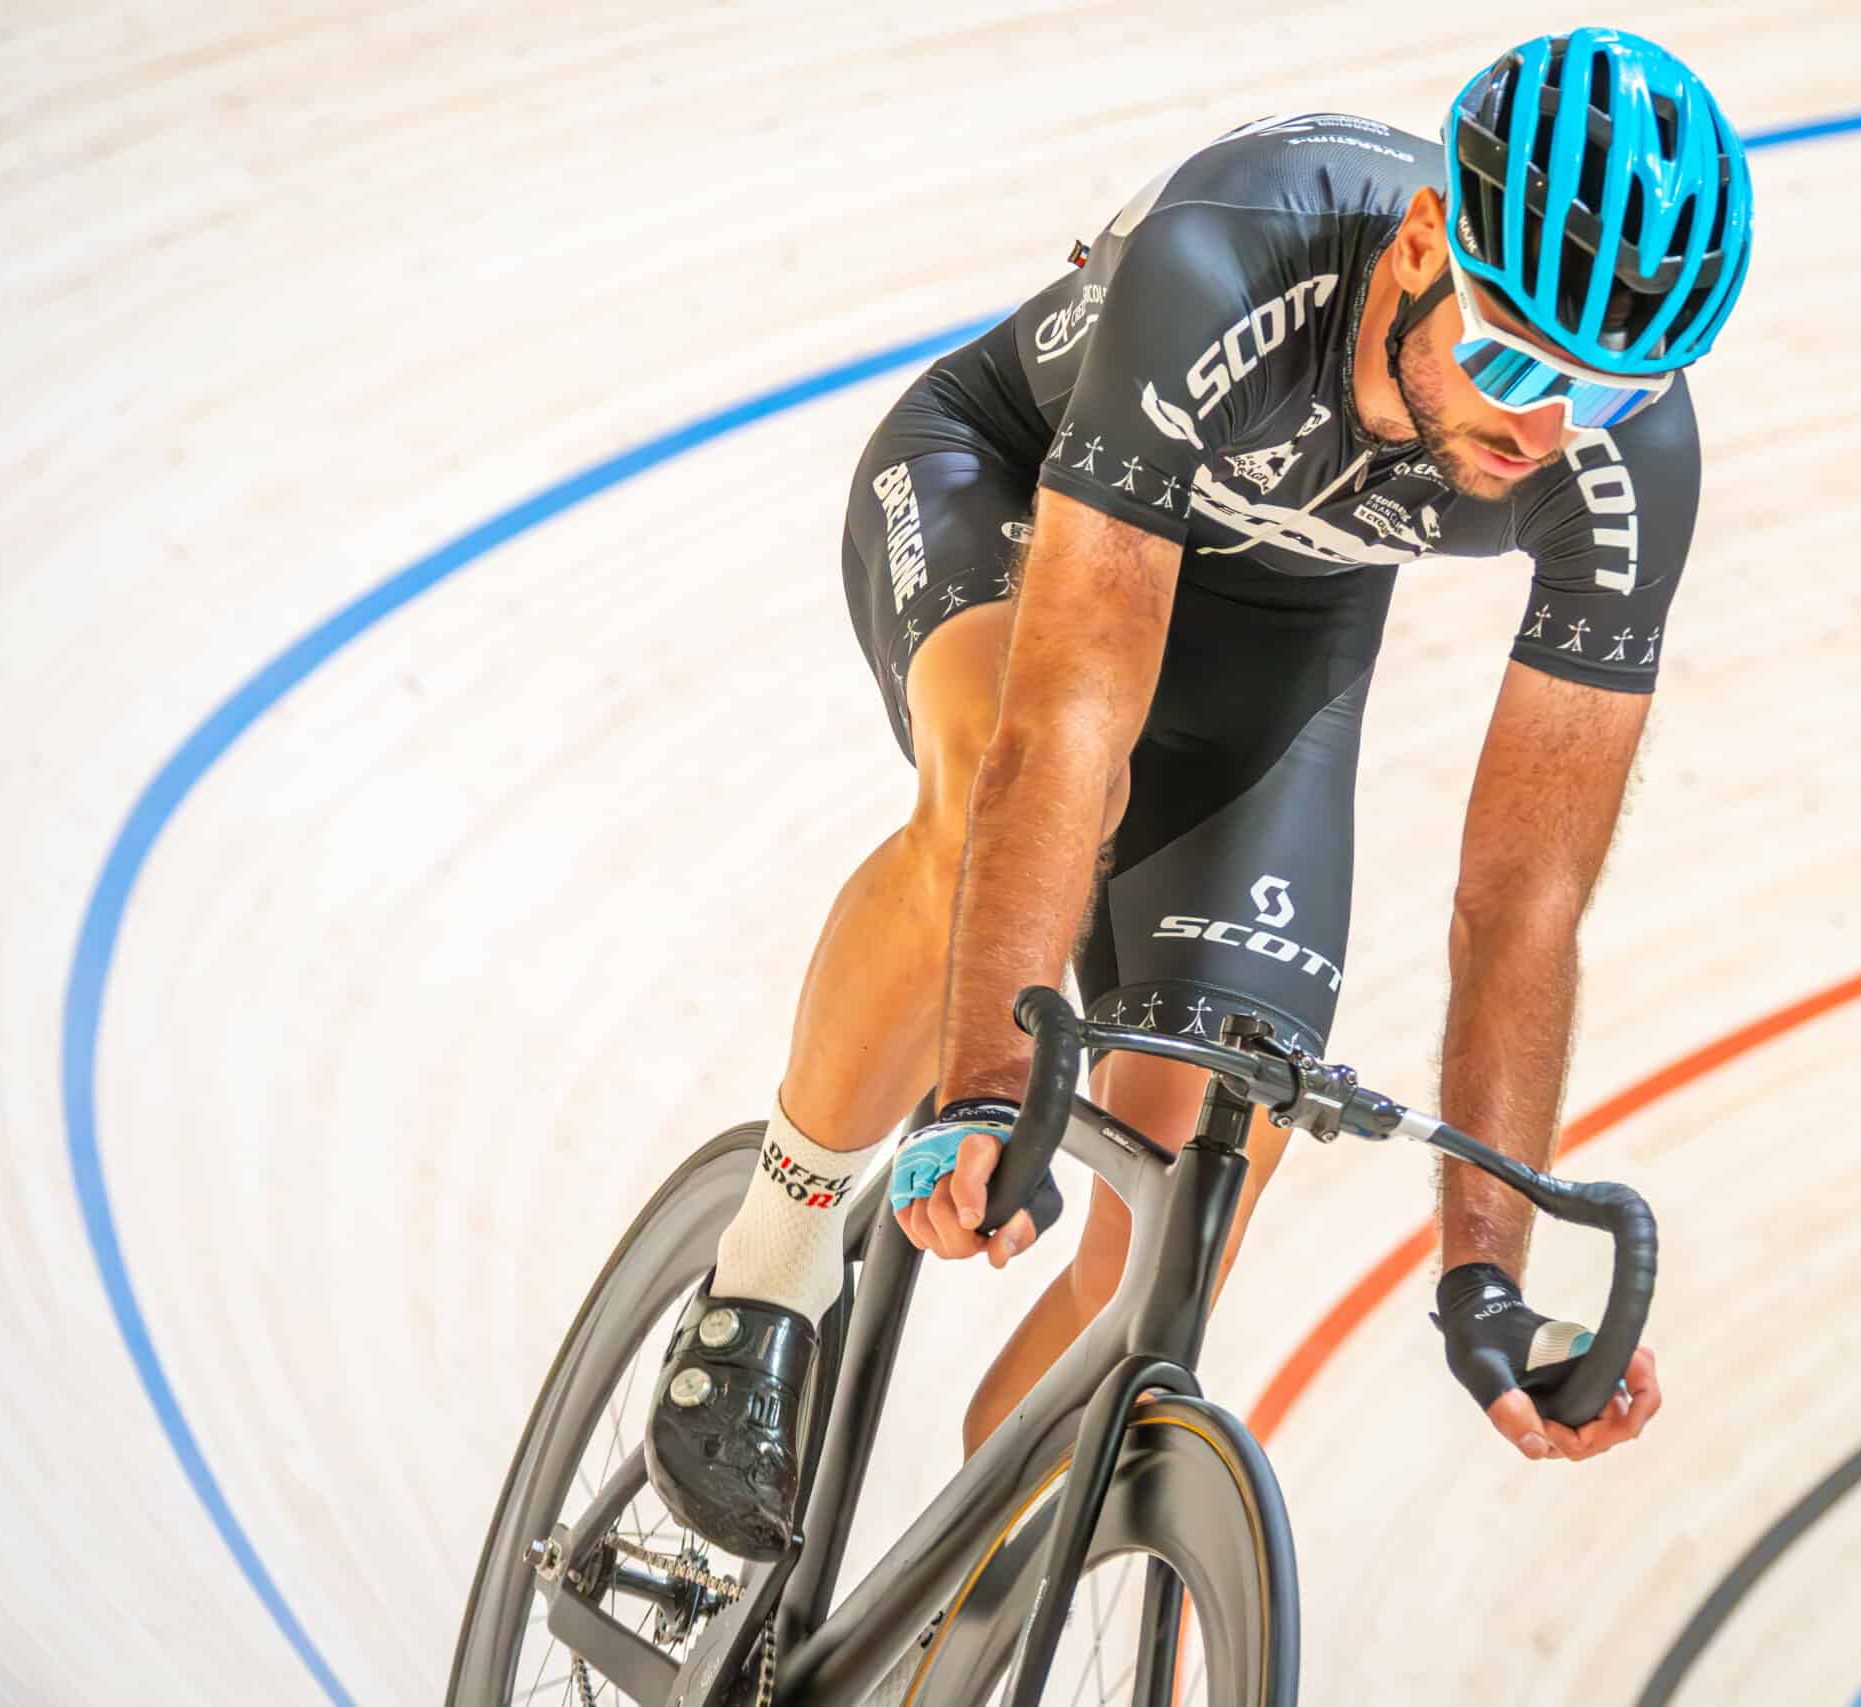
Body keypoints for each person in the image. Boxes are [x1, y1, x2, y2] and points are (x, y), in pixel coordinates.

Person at [644, 26, 1753, 1561]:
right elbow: (1069, 728)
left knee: (1202, 1163)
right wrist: (987, 1082)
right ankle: (769, 1266)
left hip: (1279, 626)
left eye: (1606, 395)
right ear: (1423, 244)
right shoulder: (1233, 257)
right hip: (1016, 492)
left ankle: (971, 1599)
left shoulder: (1627, 468)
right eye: (1515, 364)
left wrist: (1485, 1273)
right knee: (992, 807)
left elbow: (1527, 899)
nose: (1542, 432)